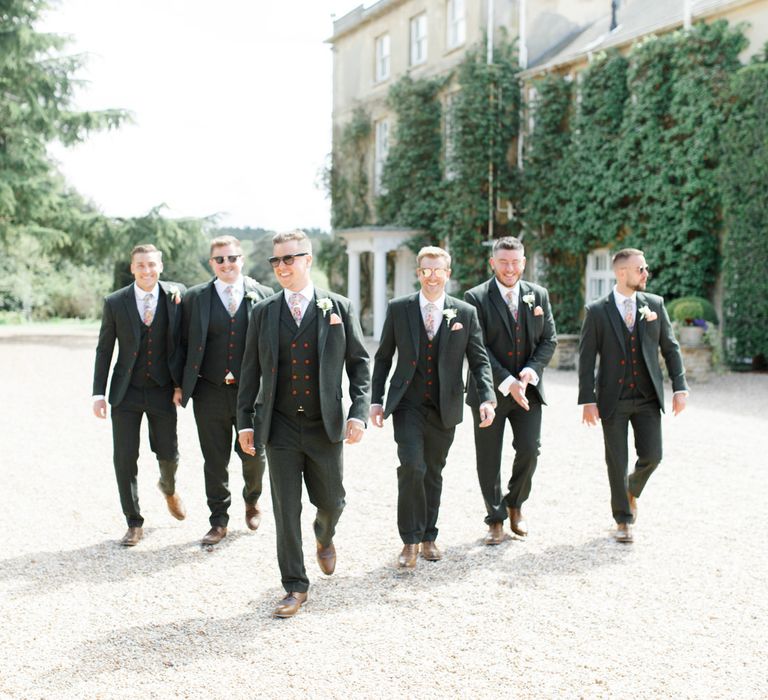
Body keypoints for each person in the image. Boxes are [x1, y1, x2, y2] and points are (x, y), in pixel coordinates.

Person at [237, 229, 370, 618]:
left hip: (324, 425)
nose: (282, 267)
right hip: (278, 427)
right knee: (285, 508)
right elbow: (249, 371)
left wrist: (358, 412)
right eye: (275, 261)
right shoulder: (263, 312)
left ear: (307, 259)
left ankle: (324, 534)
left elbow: (360, 365)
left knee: (332, 501)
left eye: (289, 259)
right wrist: (245, 422)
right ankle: (295, 586)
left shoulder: (338, 307)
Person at [370, 246, 496, 568]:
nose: (432, 276)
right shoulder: (400, 309)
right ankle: (410, 540)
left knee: (434, 472)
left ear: (447, 273)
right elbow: (384, 357)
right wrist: (376, 400)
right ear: (418, 273)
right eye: (426, 270)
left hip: (446, 405)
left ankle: (429, 535)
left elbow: (479, 360)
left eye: (438, 270)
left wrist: (487, 398)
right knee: (412, 466)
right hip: (408, 403)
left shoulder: (464, 313)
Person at [578, 248, 688, 543]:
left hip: (647, 396)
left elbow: (671, 348)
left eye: (645, 268)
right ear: (622, 272)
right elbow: (586, 359)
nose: (646, 273)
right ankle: (623, 519)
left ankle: (630, 489)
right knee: (616, 459)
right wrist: (587, 400)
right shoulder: (597, 311)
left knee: (653, 455)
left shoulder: (654, 304)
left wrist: (680, 387)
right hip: (612, 398)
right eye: (641, 269)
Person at [179, 236, 274, 546]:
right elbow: (180, 344)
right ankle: (218, 520)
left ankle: (252, 499)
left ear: (241, 259)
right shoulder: (195, 298)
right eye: (220, 260)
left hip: (252, 393)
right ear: (212, 264)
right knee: (214, 459)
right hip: (209, 390)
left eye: (232, 258)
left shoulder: (264, 295)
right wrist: (179, 384)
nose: (226, 264)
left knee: (253, 454)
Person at [464, 236, 557, 544]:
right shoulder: (475, 297)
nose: (509, 268)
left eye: (515, 262)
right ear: (493, 263)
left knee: (531, 449)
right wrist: (507, 381)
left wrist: (530, 372)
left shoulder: (538, 295)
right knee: (488, 456)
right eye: (503, 262)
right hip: (489, 392)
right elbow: (477, 347)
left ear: (524, 263)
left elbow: (549, 341)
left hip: (528, 390)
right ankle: (495, 518)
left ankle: (515, 503)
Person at [92, 244, 186, 546]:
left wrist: (180, 384)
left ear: (160, 266)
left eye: (152, 265)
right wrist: (98, 392)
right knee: (124, 458)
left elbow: (183, 343)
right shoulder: (115, 302)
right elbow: (105, 348)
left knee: (168, 454)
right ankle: (133, 521)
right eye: (141, 265)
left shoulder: (176, 295)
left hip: (162, 390)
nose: (147, 271)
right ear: (132, 268)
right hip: (126, 391)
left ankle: (168, 487)